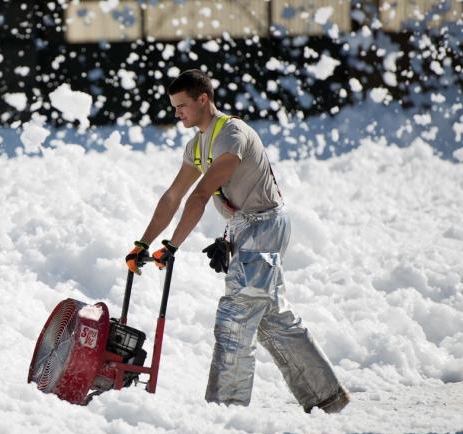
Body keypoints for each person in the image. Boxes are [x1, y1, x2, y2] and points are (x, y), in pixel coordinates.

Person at [125, 69, 349, 413]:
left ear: (204, 99)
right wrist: (142, 243)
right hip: (245, 227)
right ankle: (327, 396)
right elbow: (173, 196)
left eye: (182, 105)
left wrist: (171, 246)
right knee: (271, 317)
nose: (177, 113)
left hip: (265, 225)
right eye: (174, 107)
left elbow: (199, 195)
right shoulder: (197, 145)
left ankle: (224, 408)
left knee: (236, 315)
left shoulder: (231, 134)